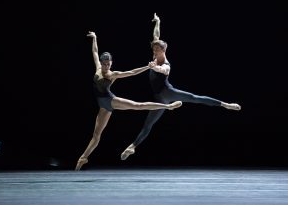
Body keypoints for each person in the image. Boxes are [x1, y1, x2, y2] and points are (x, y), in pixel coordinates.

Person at [120, 13, 241, 160]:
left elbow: (163, 70)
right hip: (160, 98)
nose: (154, 50)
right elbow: (156, 36)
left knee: (195, 98)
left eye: (157, 49)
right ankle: (132, 147)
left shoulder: (165, 64)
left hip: (168, 92)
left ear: (163, 51)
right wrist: (157, 22)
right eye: (154, 49)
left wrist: (155, 68)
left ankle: (225, 104)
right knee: (148, 124)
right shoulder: (155, 54)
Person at [75, 31, 182, 170]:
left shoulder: (114, 74)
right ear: (101, 63)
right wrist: (94, 38)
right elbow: (95, 51)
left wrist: (147, 67)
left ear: (111, 63)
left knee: (137, 105)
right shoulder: (97, 69)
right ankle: (83, 158)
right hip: (103, 106)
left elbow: (132, 72)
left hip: (110, 100)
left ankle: (168, 107)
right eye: (105, 64)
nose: (107, 66)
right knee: (96, 135)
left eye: (109, 64)